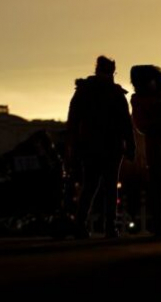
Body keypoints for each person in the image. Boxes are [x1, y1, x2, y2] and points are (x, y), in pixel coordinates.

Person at [67, 56, 135, 238]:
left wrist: (73, 146)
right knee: (110, 187)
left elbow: (72, 121)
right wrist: (131, 147)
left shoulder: (83, 91)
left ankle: (80, 224)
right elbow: (126, 124)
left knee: (90, 186)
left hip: (90, 146)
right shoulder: (116, 94)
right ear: (112, 71)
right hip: (111, 147)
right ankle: (109, 227)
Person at [130, 65, 161, 237]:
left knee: (158, 185)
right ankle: (158, 222)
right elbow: (141, 125)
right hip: (158, 145)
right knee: (157, 185)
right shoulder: (141, 99)